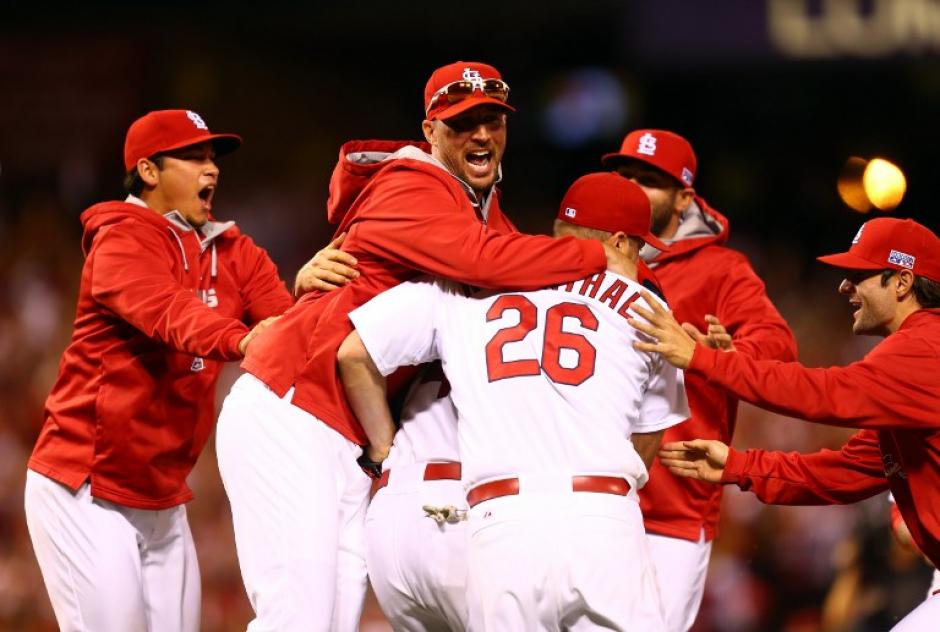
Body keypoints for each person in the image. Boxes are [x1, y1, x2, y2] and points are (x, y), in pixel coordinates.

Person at [214, 61, 632, 631]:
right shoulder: (412, 181)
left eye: (492, 120)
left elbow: (523, 278)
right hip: (291, 408)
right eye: (462, 123)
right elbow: (485, 264)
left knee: (330, 622)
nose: (481, 135)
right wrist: (596, 256)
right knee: (296, 619)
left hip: (338, 426)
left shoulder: (477, 207)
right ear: (430, 132)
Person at [338, 172, 689, 631]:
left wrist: (384, 450)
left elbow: (353, 352)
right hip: (600, 514)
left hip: (497, 520)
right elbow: (647, 442)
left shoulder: (469, 283)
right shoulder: (647, 310)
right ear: (621, 243)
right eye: (639, 249)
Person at [23, 109, 294, 632]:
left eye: (213, 157)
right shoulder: (119, 239)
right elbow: (170, 312)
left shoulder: (234, 251)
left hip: (162, 499)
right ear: (148, 171)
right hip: (86, 488)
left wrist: (334, 288)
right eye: (193, 156)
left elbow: (293, 328)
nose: (210, 168)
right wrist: (240, 336)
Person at [631, 216, 940, 630]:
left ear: (901, 282)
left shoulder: (925, 347)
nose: (844, 287)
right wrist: (739, 467)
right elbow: (845, 473)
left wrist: (702, 359)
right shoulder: (914, 364)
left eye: (858, 275)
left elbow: (822, 393)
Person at [601, 129, 797, 630]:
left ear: (684, 197)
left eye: (649, 180)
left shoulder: (722, 270)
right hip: (584, 497)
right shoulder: (582, 253)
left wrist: (730, 355)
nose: (631, 187)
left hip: (670, 508)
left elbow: (778, 348)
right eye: (623, 174)